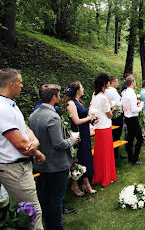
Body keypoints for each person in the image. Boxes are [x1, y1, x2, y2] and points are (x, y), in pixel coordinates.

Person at [29, 83, 79, 230]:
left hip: (41, 163)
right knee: (56, 199)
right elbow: (58, 143)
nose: (60, 97)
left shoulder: (33, 115)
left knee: (45, 196)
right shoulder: (52, 117)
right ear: (53, 97)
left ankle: (46, 222)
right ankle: (56, 226)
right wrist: (73, 140)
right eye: (58, 95)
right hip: (57, 164)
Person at [0, 68, 45, 230]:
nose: (22, 86)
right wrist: (35, 150)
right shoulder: (3, 108)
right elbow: (20, 144)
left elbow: (24, 127)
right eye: (20, 83)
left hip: (18, 166)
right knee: (33, 212)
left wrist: (35, 142)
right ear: (11, 85)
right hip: (14, 168)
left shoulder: (10, 105)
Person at [65, 81, 96, 196]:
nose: (83, 89)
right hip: (78, 134)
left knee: (86, 158)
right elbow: (76, 121)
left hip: (85, 133)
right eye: (82, 87)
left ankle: (85, 182)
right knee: (79, 159)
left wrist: (91, 115)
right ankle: (75, 185)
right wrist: (89, 118)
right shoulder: (71, 103)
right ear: (77, 90)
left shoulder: (79, 102)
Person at [90, 73, 116, 186]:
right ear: (105, 84)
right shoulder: (103, 97)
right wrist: (113, 109)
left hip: (98, 127)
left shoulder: (94, 96)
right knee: (106, 152)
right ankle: (106, 177)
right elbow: (109, 115)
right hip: (105, 126)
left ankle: (99, 175)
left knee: (99, 153)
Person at [121, 75, 145, 165]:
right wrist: (141, 106)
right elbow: (134, 109)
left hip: (127, 117)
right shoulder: (132, 93)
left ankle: (130, 157)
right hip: (133, 118)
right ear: (132, 82)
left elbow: (124, 106)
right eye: (134, 81)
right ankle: (135, 159)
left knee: (130, 138)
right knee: (139, 138)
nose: (135, 83)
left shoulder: (124, 93)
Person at [105, 76, 125, 160]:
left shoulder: (105, 91)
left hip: (108, 114)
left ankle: (112, 153)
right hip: (116, 115)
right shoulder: (113, 91)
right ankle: (116, 154)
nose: (118, 84)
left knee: (112, 134)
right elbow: (118, 103)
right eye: (117, 82)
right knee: (117, 134)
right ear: (113, 83)